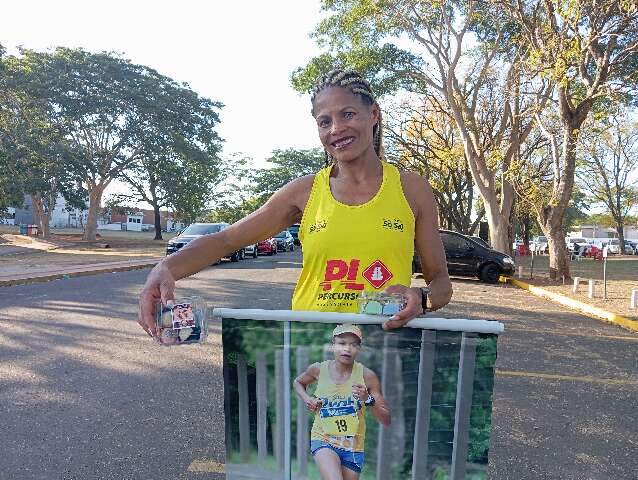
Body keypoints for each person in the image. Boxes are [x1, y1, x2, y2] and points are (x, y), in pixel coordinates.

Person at [138, 68, 452, 335]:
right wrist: (167, 267)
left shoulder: (412, 190)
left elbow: (441, 284)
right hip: (310, 342)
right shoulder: (303, 193)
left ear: (373, 115)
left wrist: (420, 298)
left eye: (348, 114)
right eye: (324, 121)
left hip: (385, 345)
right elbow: (227, 239)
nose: (336, 129)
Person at [293, 324, 390, 480]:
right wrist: (307, 399)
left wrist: (368, 399)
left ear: (359, 349)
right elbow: (298, 382)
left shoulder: (368, 376)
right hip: (324, 439)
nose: (347, 349)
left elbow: (386, 419)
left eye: (353, 345)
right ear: (333, 346)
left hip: (353, 447)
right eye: (342, 343)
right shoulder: (318, 369)